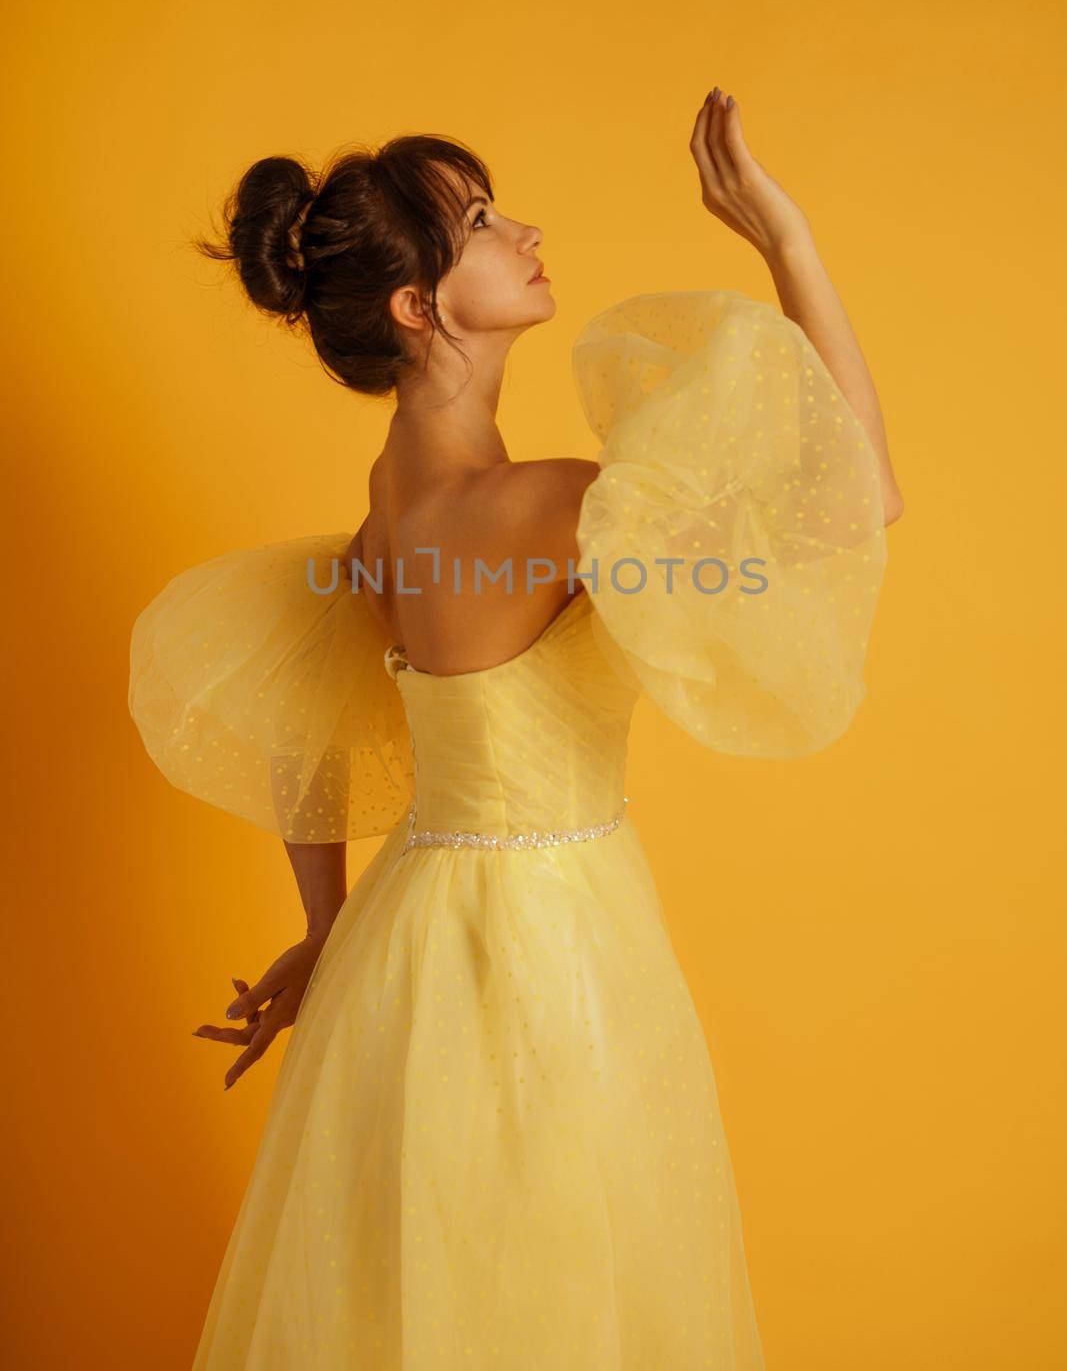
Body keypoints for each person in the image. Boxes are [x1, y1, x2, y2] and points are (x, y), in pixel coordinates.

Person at [128, 86, 903, 1369]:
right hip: (550, 946)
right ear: (418, 308)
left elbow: (300, 700)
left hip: (406, 941)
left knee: (424, 1299)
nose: (524, 229)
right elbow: (858, 497)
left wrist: (325, 928)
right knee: (554, 1299)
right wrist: (786, 243)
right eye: (482, 221)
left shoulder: (392, 500)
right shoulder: (545, 508)